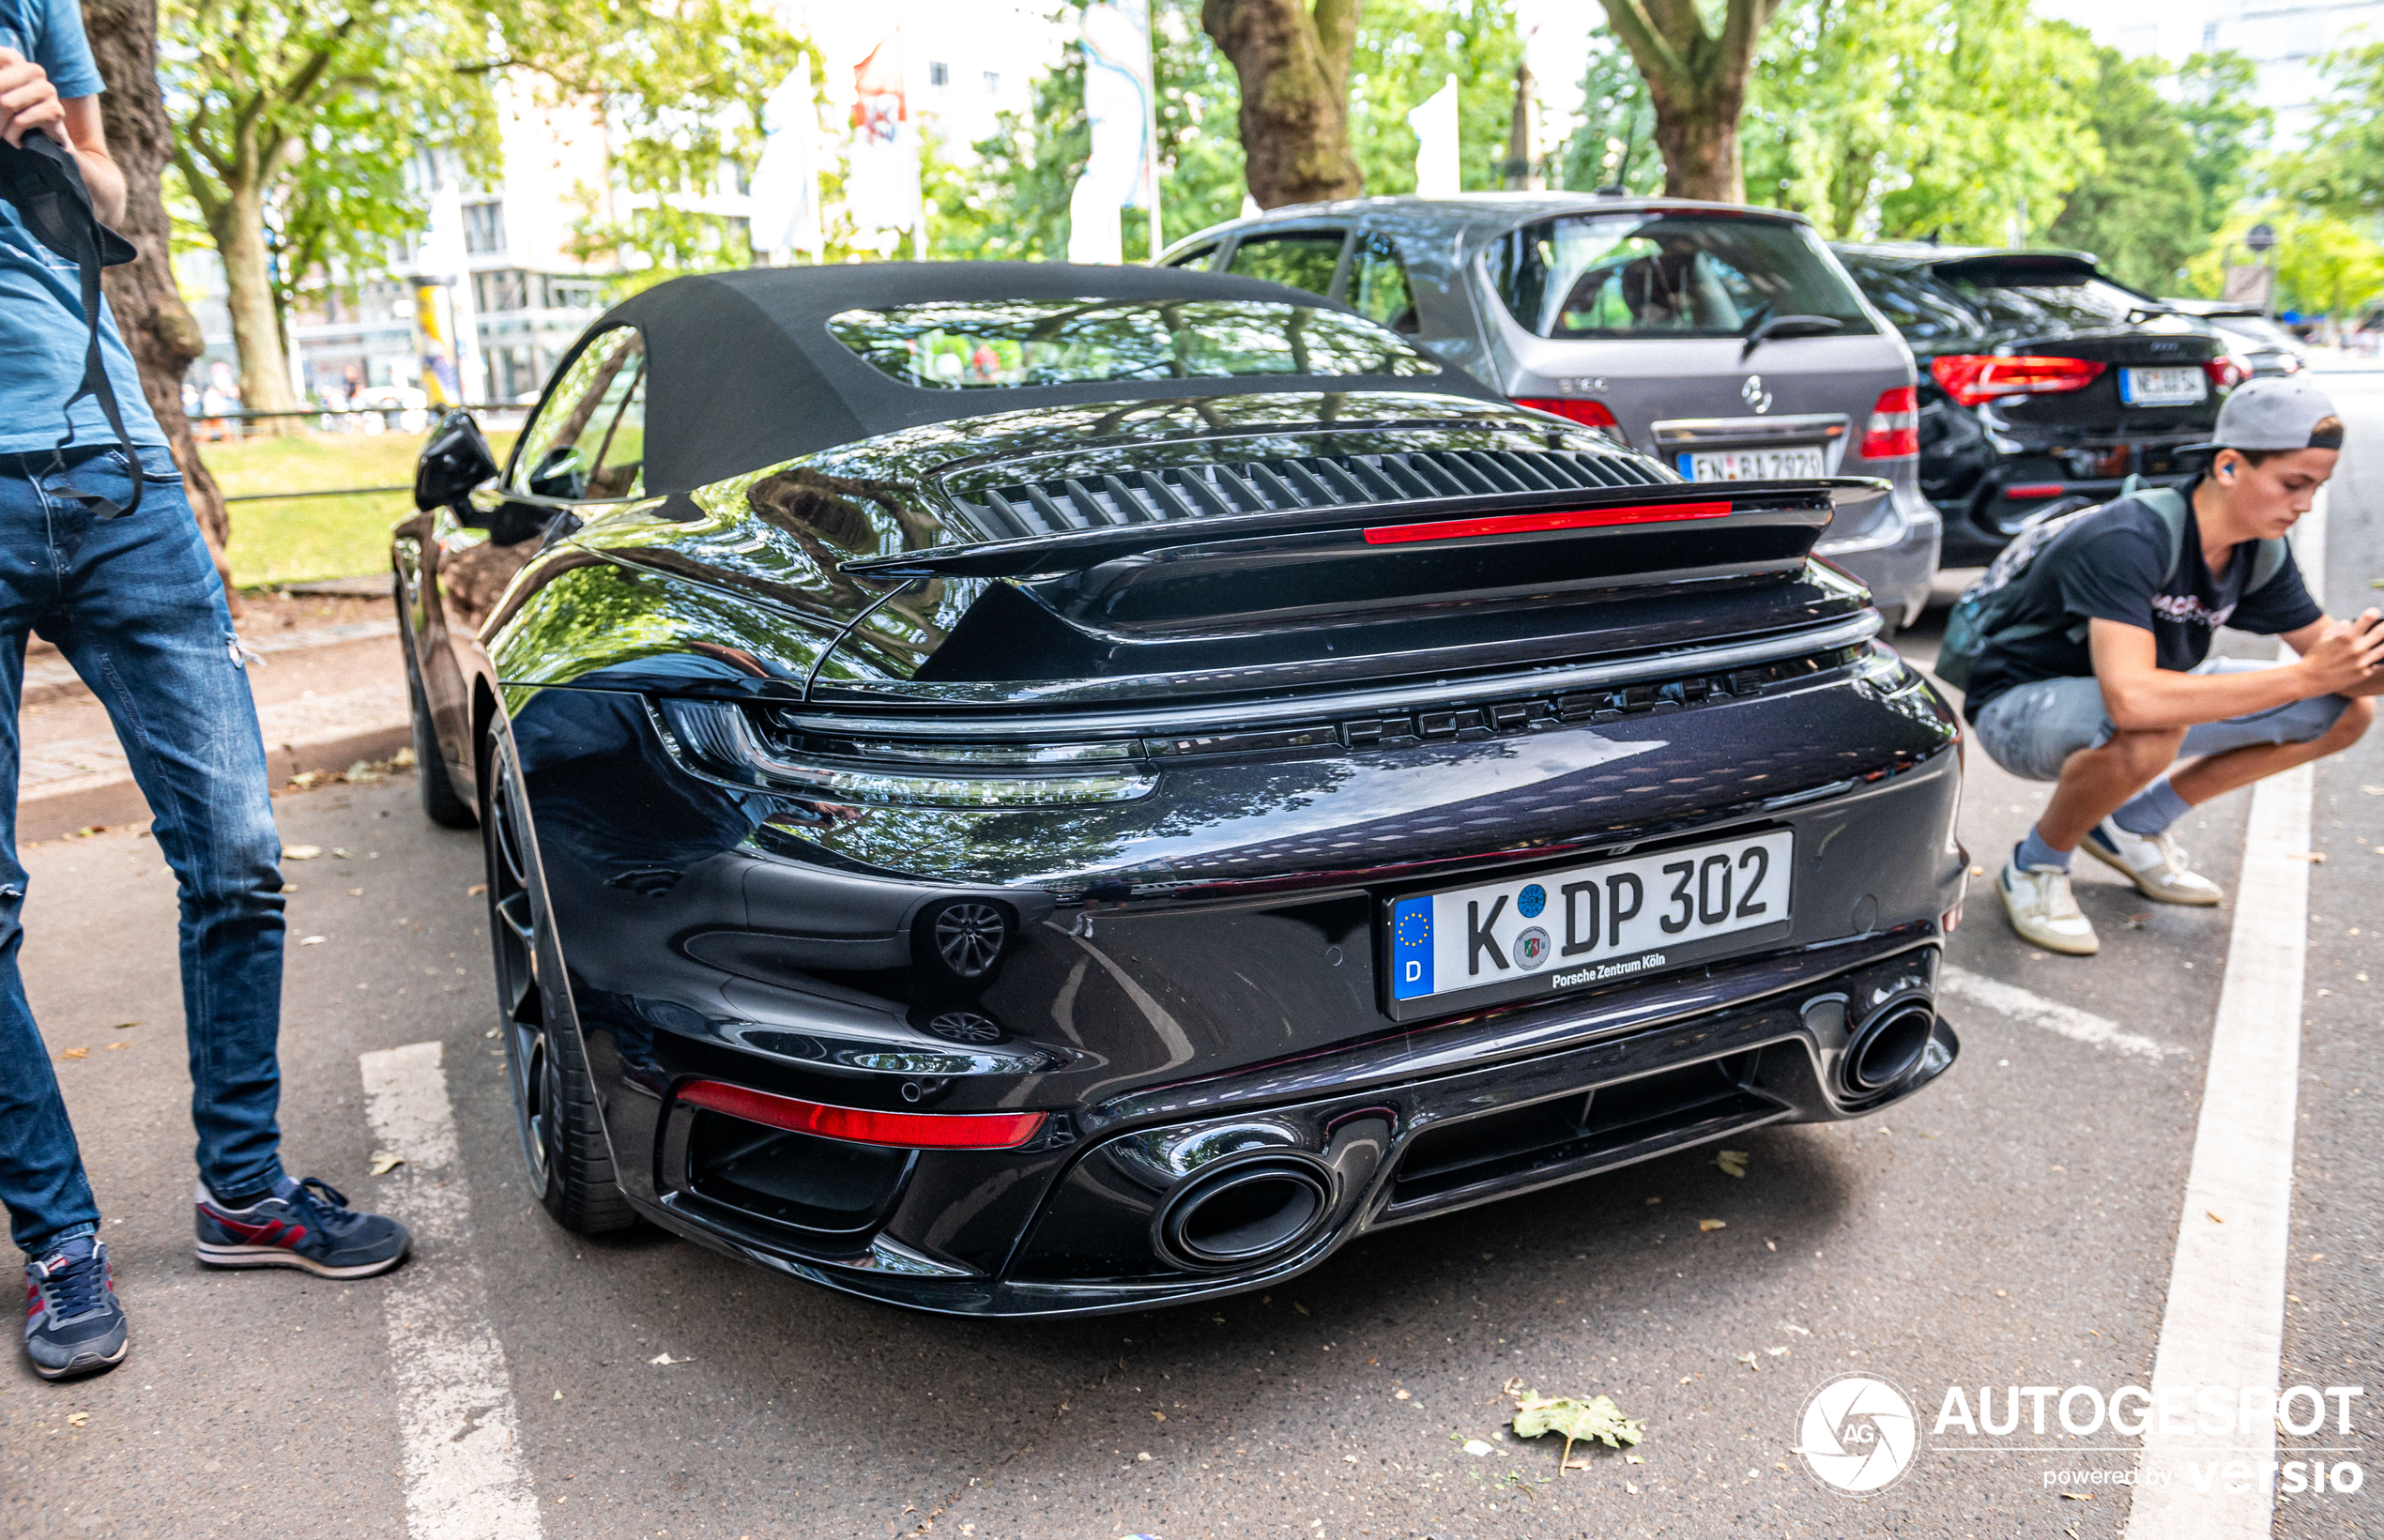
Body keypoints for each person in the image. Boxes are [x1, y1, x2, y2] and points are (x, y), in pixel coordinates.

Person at [1, 0, 408, 1382]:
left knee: (238, 851)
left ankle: (244, 1187)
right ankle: (58, 1237)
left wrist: (52, 134)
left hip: (117, 479)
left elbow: (113, 194)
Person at [1965, 376, 2381, 955]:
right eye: (2293, 484)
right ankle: (2034, 866)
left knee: (2346, 711)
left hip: (2137, 705)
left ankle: (2130, 825)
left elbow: (2337, 665)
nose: (2305, 505)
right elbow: (2132, 700)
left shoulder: (2259, 548)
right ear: (2230, 466)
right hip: (2018, 708)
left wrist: (2365, 658)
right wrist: (2308, 676)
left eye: (2317, 487)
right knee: (2153, 724)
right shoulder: (2131, 536)